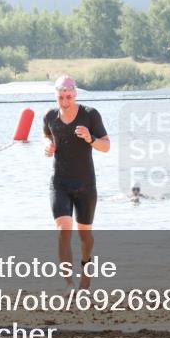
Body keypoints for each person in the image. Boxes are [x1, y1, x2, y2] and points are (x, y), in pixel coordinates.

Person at [43, 75, 110, 289]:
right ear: (56, 96)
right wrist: (48, 145)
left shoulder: (90, 115)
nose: (65, 101)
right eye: (61, 97)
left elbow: (106, 146)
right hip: (60, 182)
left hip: (85, 184)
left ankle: (86, 273)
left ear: (75, 94)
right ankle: (68, 284)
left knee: (85, 237)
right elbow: (46, 134)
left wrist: (90, 138)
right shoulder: (50, 116)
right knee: (63, 229)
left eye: (69, 96)